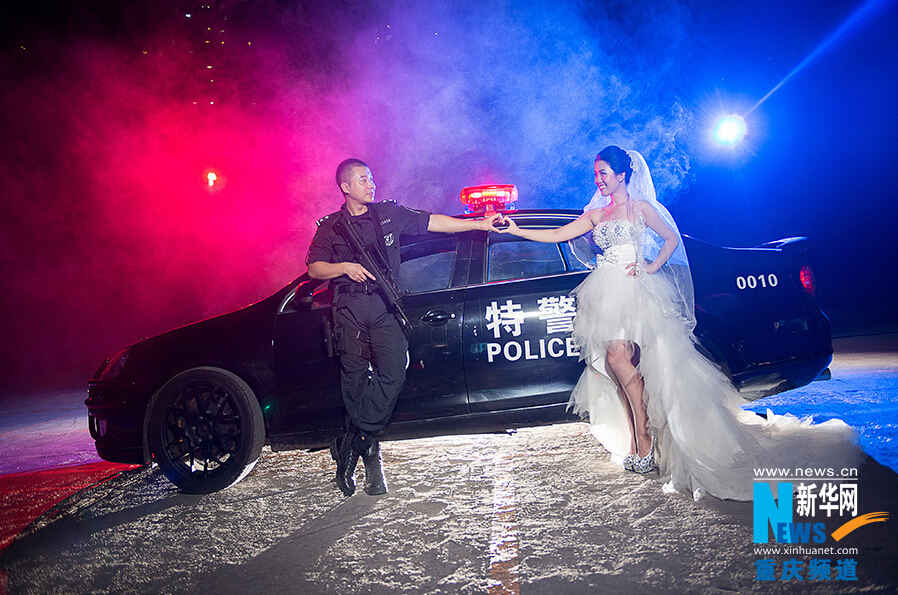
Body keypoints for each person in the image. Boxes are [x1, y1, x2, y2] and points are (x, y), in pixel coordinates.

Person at [496, 146, 861, 501]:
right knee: (614, 364)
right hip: (605, 291)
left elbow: (670, 238)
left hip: (635, 290)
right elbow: (558, 234)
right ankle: (639, 437)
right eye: (596, 174)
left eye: (603, 173)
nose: (599, 180)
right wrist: (515, 229)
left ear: (621, 175)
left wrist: (651, 266)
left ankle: (645, 439)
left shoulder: (640, 208)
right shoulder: (596, 214)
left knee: (623, 359)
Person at [307, 158, 500, 497]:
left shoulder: (388, 214)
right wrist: (344, 267)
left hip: (384, 305)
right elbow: (315, 268)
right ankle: (367, 448)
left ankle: (356, 438)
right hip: (349, 309)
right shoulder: (331, 227)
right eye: (363, 180)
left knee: (394, 371)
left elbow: (433, 222)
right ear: (345, 187)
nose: (371, 184)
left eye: (371, 178)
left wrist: (478, 223)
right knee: (354, 380)